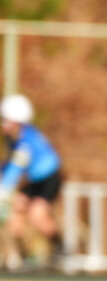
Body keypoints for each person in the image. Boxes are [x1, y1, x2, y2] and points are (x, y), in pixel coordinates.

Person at [0, 94, 63, 268]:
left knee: (36, 213)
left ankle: (61, 249)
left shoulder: (26, 141)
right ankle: (24, 256)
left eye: (5, 120)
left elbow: (14, 169)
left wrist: (3, 190)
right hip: (35, 181)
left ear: (16, 121)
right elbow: (9, 166)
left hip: (49, 179)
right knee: (14, 211)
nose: (2, 124)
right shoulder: (15, 137)